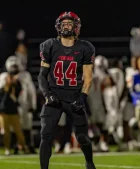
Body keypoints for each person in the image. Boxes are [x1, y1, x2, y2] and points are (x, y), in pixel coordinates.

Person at [37, 11, 96, 169]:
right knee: (46, 134)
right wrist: (47, 94)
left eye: (70, 24)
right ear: (58, 27)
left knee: (82, 137)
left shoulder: (85, 48)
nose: (67, 27)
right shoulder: (49, 45)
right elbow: (42, 76)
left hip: (74, 95)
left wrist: (82, 97)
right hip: (55, 96)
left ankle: (89, 163)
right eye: (64, 24)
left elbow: (88, 77)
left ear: (76, 27)